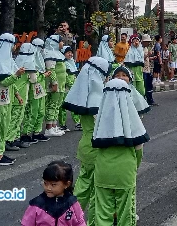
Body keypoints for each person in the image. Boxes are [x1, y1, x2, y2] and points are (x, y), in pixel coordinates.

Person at [92, 77, 150, 225]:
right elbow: (139, 150)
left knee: (103, 212)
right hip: (125, 173)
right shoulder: (132, 119)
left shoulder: (100, 118)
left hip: (102, 172)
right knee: (126, 212)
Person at [62, 57, 110, 226]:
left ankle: (71, 219)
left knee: (82, 186)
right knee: (98, 188)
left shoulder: (86, 94)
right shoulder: (97, 96)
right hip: (97, 148)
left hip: (86, 146)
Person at [0, 33, 25, 166]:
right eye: (13, 44)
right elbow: (4, 81)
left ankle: (0, 152)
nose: (14, 47)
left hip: (6, 97)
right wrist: (17, 75)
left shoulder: (7, 61)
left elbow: (10, 81)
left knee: (4, 126)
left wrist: (17, 95)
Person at [21, 161, 86, 226]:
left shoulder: (72, 203)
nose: (48, 188)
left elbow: (80, 222)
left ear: (66, 184)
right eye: (46, 183)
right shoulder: (36, 205)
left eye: (53, 184)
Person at [44, 34, 67, 137]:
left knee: (57, 105)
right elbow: (51, 70)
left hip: (61, 85)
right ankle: (49, 127)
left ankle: (54, 125)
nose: (62, 43)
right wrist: (54, 83)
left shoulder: (57, 53)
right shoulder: (50, 54)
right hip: (55, 85)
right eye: (61, 41)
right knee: (52, 105)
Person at [62, 46, 81, 131]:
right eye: (68, 52)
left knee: (74, 105)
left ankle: (77, 123)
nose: (70, 54)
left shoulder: (72, 62)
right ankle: (62, 124)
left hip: (73, 88)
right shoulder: (63, 63)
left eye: (71, 52)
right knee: (62, 107)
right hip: (65, 88)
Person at [142, 34, 157, 106]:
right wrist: (148, 55)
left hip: (148, 69)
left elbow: (146, 58)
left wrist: (152, 57)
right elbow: (140, 59)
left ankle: (150, 100)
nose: (148, 43)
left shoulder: (146, 48)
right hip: (143, 70)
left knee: (149, 85)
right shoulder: (140, 49)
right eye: (147, 41)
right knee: (144, 85)